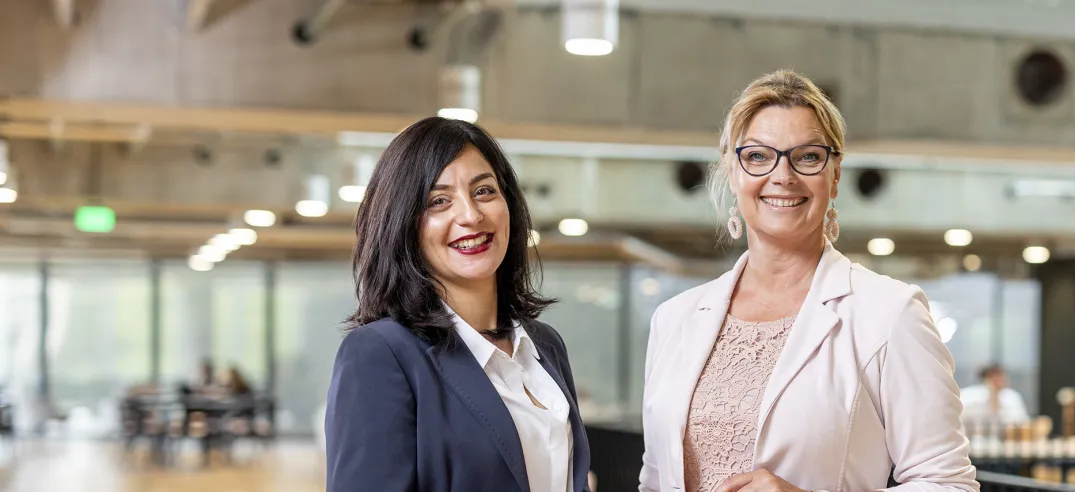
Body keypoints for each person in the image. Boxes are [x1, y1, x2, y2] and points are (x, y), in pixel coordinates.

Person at [639, 70, 979, 492]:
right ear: (733, 172)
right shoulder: (674, 319)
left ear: (834, 175)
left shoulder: (891, 314)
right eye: (759, 156)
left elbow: (949, 485)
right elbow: (655, 480)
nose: (783, 175)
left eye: (807, 156)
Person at [325, 117, 590, 492]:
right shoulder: (381, 354)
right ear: (402, 225)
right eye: (438, 201)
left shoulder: (545, 345)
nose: (470, 215)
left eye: (484, 191)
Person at [959, 364, 1030, 427]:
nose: (999, 379)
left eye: (1001, 376)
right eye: (993, 376)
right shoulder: (971, 394)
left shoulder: (1013, 396)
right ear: (985, 378)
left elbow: (1023, 420)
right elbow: (962, 416)